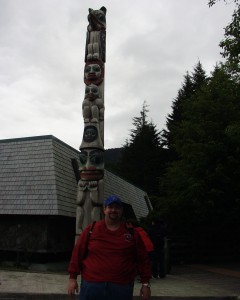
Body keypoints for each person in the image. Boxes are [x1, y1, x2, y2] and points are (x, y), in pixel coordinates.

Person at [68, 195, 151, 300]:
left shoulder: (131, 232)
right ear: (104, 209)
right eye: (110, 207)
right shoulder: (91, 229)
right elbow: (77, 253)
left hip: (121, 286)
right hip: (92, 285)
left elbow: (143, 259)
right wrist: (72, 278)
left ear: (121, 210)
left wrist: (145, 284)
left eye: (117, 207)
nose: (113, 210)